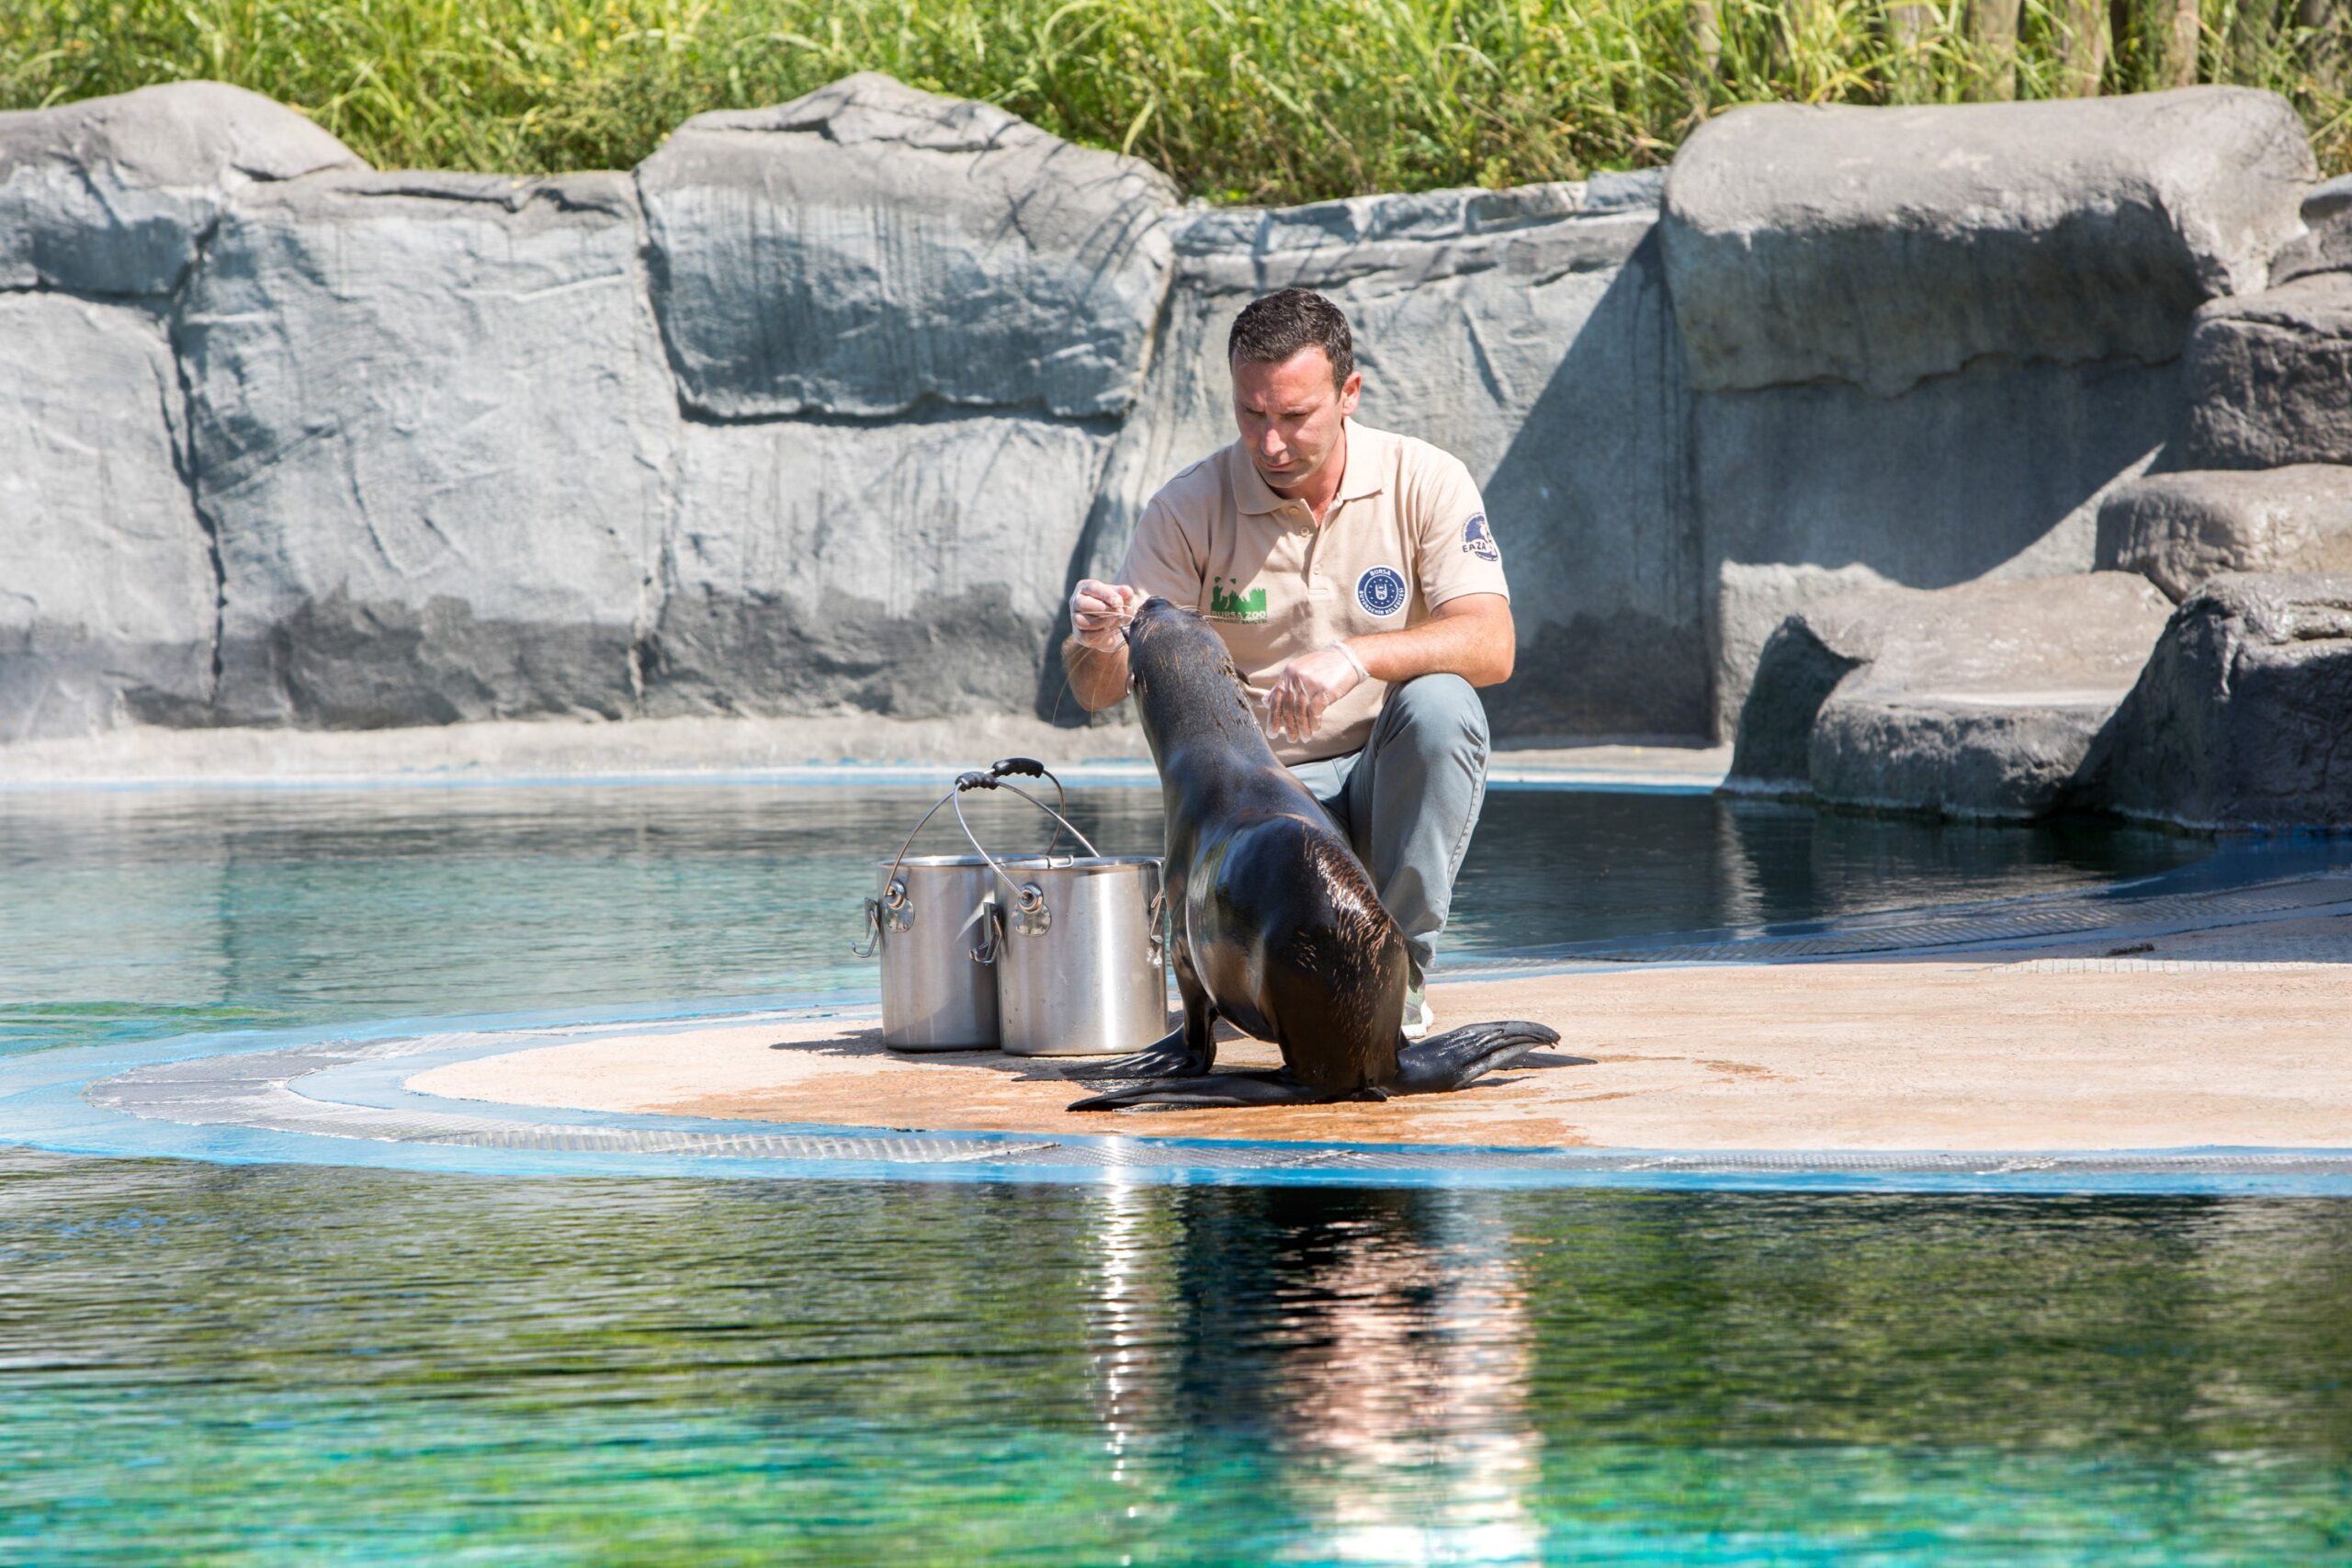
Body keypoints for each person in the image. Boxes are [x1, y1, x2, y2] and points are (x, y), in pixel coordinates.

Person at [1064, 288, 1514, 1037]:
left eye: (1294, 416)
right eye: (1252, 414)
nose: (1270, 444)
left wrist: (1355, 658)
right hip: (1261, 803)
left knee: (1444, 705)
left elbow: (1492, 643)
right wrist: (1101, 642)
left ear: (1348, 394)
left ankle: (1396, 982)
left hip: (1383, 781)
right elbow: (1095, 692)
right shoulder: (1186, 509)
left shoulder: (1424, 478)